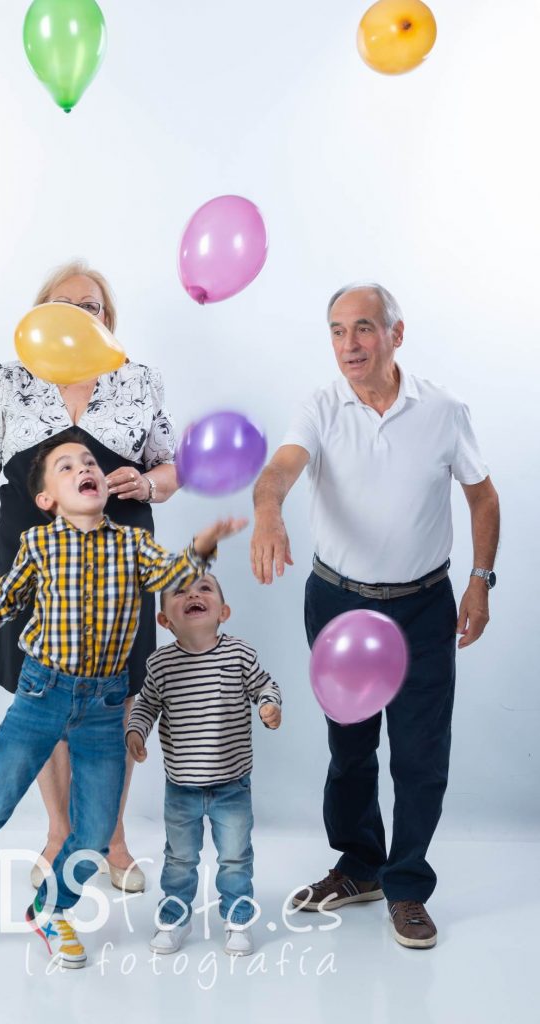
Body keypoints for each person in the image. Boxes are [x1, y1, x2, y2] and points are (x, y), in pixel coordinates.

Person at [0, 435, 247, 968]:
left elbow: (172, 574)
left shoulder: (133, 544)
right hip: (42, 694)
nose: (84, 467)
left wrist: (203, 545)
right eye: (66, 467)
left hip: (108, 706)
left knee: (94, 829)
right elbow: (7, 598)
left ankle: (53, 908)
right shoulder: (39, 545)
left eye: (89, 462)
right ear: (47, 499)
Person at [249, 283, 499, 949]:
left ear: (395, 333)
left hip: (423, 604)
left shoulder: (444, 409)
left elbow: (482, 498)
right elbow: (278, 471)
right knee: (351, 748)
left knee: (420, 754)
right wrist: (268, 510)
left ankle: (407, 884)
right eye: (336, 331)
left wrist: (479, 584)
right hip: (339, 602)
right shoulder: (321, 406)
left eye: (363, 328)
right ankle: (359, 865)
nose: (349, 344)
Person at [0, 260, 179, 894]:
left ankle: (110, 838)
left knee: (117, 693)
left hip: (120, 561)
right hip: (35, 562)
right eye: (65, 305)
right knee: (42, 690)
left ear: (110, 319)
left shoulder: (137, 382)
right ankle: (58, 832)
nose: (82, 315)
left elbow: (171, 466)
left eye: (94, 307)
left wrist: (149, 483)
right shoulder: (10, 382)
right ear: (40, 315)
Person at [126, 574, 282, 957]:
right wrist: (135, 731)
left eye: (205, 588)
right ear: (165, 620)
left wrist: (268, 705)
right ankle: (176, 918)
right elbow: (146, 704)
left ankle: (238, 918)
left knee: (235, 856)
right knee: (179, 859)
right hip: (181, 786)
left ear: (223, 612)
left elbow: (264, 684)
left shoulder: (239, 655)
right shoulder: (161, 664)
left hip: (232, 783)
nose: (193, 594)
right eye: (180, 591)